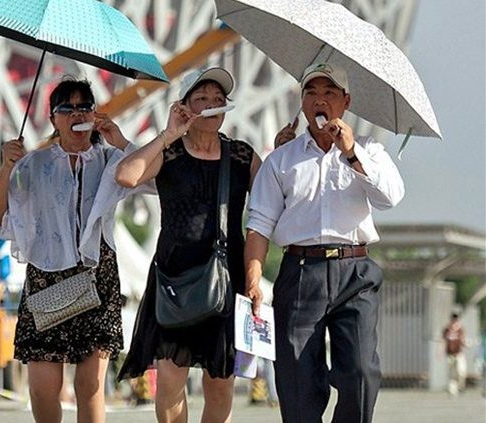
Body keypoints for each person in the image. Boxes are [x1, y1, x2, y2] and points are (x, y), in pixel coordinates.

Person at [245, 62, 405, 423]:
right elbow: (258, 223)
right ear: (301, 102)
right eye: (311, 92)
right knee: (297, 381)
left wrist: (351, 154)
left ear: (345, 101)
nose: (320, 100)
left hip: (356, 272)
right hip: (301, 271)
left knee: (361, 373)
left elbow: (390, 197)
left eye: (329, 93)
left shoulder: (370, 150)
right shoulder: (281, 160)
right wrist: (254, 278)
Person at [0, 78, 143, 423]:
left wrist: (122, 142)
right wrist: (7, 167)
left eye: (84, 106)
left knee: (90, 385)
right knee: (42, 386)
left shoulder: (110, 160)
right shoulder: (33, 165)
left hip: (97, 275)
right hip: (48, 277)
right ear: (53, 119)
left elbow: (156, 182)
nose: (77, 114)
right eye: (66, 108)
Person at [115, 67, 263, 423]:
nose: (212, 105)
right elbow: (127, 175)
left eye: (218, 99)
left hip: (225, 279)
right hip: (174, 278)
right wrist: (168, 134)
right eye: (202, 99)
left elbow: (272, 203)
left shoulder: (241, 156)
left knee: (220, 382)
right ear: (185, 107)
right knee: (169, 377)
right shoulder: (171, 153)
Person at [443, 312, 466, 394]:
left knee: (461, 371)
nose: (454, 321)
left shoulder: (460, 330)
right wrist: (439, 351)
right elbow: (443, 340)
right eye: (453, 319)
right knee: (452, 373)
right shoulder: (447, 330)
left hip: (459, 354)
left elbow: (463, 340)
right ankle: (452, 389)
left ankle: (460, 386)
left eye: (456, 319)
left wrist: (465, 344)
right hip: (450, 354)